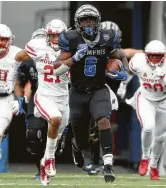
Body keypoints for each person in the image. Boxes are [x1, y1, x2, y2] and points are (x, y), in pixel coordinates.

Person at [52, 4, 129, 183]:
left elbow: (120, 54)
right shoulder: (70, 38)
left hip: (98, 88)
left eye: (91, 20)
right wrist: (74, 58)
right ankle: (77, 147)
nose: (88, 23)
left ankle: (108, 164)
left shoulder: (107, 37)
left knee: (103, 120)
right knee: (82, 139)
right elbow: (56, 68)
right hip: (77, 92)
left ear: (97, 22)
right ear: (78, 22)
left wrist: (124, 70)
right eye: (84, 20)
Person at [15, 19, 69, 186]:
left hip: (63, 98)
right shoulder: (38, 46)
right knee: (54, 120)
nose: (55, 39)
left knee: (56, 137)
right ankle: (50, 159)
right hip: (44, 95)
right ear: (46, 36)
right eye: (52, 35)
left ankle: (46, 161)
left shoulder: (73, 48)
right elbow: (18, 57)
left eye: (58, 36)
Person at [126, 40, 166, 180]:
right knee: (148, 127)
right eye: (152, 55)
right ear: (146, 54)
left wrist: (164, 78)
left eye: (158, 56)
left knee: (160, 137)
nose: (154, 59)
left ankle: (154, 166)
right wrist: (123, 85)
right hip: (145, 98)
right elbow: (130, 71)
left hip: (163, 101)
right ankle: (145, 158)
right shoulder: (139, 61)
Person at [14, 28, 48, 180]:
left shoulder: (60, 56)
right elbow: (19, 81)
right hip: (36, 97)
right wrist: (21, 99)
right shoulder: (27, 61)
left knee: (56, 136)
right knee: (33, 134)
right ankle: (41, 169)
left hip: (57, 97)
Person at [0, 24, 22, 159]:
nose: (0, 42)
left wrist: (21, 100)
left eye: (3, 39)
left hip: (6, 98)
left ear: (10, 40)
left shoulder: (18, 54)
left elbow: (27, 79)